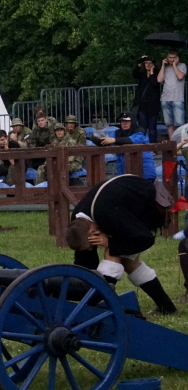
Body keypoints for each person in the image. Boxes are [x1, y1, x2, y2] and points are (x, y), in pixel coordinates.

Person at [65, 175, 176, 314]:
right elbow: (85, 261)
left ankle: (99, 301)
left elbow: (145, 239)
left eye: (92, 242)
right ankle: (167, 307)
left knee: (113, 254)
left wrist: (109, 242)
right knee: (127, 262)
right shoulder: (78, 221)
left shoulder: (108, 214)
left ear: (92, 231)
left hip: (148, 206)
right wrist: (82, 286)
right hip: (118, 204)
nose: (94, 246)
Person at [93, 112, 155, 179]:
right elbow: (108, 141)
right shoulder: (117, 133)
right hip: (124, 172)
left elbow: (132, 141)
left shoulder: (140, 132)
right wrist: (98, 139)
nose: (124, 123)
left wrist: (114, 140)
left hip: (144, 171)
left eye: (127, 121)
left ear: (133, 121)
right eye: (122, 121)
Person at [157, 50, 186, 140]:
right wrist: (163, 65)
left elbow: (180, 76)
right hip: (165, 98)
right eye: (170, 58)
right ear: (167, 58)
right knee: (169, 124)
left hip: (177, 98)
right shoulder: (165, 68)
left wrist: (174, 65)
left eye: (174, 58)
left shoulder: (182, 65)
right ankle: (172, 146)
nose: (172, 59)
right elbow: (159, 79)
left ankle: (181, 145)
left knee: (179, 124)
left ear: (177, 58)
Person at [133, 55, 162, 142]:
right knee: (143, 127)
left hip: (153, 105)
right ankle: (144, 146)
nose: (148, 65)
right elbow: (134, 74)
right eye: (146, 63)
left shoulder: (157, 74)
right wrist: (140, 60)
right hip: (142, 105)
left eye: (150, 63)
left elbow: (154, 83)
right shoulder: (141, 74)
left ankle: (153, 147)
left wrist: (152, 72)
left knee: (152, 127)